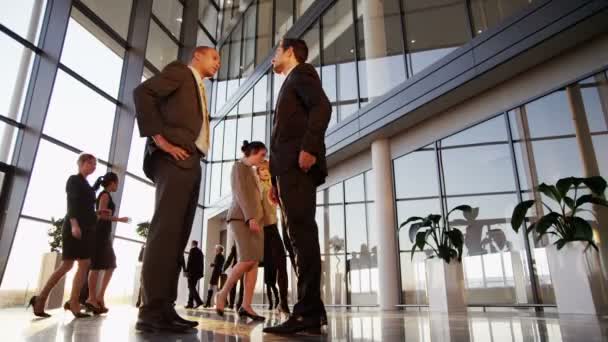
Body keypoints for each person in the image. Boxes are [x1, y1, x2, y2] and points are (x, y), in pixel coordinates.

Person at [133, 45, 220, 333]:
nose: (218, 63)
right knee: (166, 231)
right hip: (174, 157)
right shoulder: (181, 72)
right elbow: (142, 93)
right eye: (214, 57)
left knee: (177, 236)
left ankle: (165, 308)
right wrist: (160, 140)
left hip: (191, 160)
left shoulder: (198, 87)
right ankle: (150, 311)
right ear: (197, 56)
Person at [264, 38, 331, 335]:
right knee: (294, 239)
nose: (272, 57)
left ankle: (306, 313)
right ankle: (312, 310)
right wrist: (274, 178)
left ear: (290, 52)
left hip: (299, 165)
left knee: (301, 236)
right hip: (286, 172)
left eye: (276, 51)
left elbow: (322, 107)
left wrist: (310, 148)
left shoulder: (302, 73)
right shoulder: (290, 81)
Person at [28, 154, 101, 319]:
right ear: (81, 163)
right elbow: (72, 203)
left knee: (83, 264)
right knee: (68, 265)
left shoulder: (86, 184)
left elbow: (87, 200)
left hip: (86, 229)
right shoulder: (73, 180)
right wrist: (74, 224)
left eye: (95, 164)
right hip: (74, 227)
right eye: (91, 163)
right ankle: (42, 299)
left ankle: (72, 302)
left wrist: (97, 212)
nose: (94, 166)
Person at [215, 141, 267, 322]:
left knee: (254, 263)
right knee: (247, 259)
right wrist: (250, 217)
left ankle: (246, 305)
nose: (264, 158)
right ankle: (222, 294)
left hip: (256, 221)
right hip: (241, 218)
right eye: (262, 154)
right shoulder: (238, 166)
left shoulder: (253, 172)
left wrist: (258, 219)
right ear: (252, 152)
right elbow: (239, 193)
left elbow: (257, 198)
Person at [84, 172, 131, 315]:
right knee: (97, 266)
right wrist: (120, 219)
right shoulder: (104, 195)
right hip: (99, 234)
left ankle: (98, 298)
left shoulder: (106, 195)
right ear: (112, 182)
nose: (118, 186)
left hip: (103, 235)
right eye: (117, 183)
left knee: (109, 265)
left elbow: (103, 214)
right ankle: (92, 298)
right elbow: (101, 216)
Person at [257, 160, 290, 314]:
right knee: (248, 265)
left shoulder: (274, 185)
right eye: (262, 169)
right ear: (258, 172)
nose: (265, 171)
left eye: (267, 169)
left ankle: (283, 303)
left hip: (273, 228)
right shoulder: (257, 187)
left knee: (282, 263)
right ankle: (240, 303)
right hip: (261, 230)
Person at [184, 240, 205, 309]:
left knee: (191, 287)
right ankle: (190, 304)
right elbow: (202, 264)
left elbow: (189, 262)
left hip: (191, 273)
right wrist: (201, 274)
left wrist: (186, 271)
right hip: (197, 274)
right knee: (192, 287)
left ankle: (198, 301)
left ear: (192, 244)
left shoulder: (192, 250)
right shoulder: (200, 252)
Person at [222, 244, 244, 310]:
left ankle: (234, 304)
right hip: (239, 267)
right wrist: (224, 268)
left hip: (240, 267)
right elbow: (230, 257)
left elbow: (230, 257)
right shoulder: (236, 245)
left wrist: (224, 268)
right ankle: (236, 304)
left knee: (237, 286)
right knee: (239, 287)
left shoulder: (236, 244)